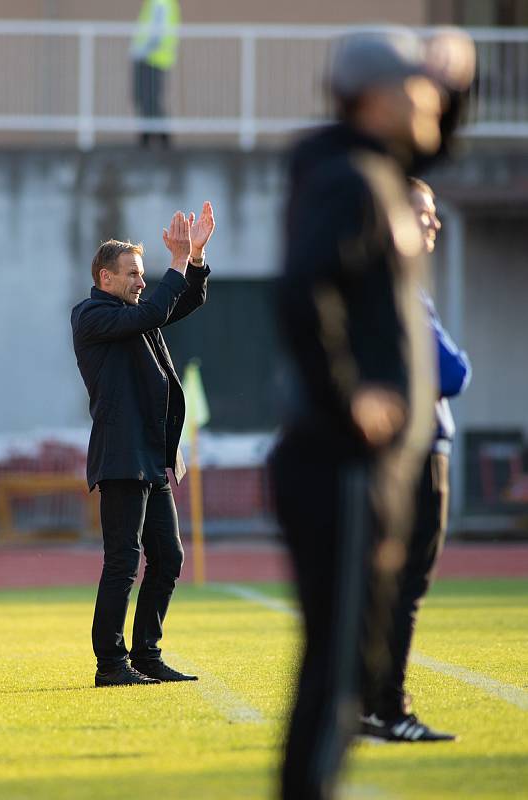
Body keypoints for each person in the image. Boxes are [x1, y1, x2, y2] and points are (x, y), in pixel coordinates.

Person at [271, 31, 445, 800]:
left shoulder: (369, 168)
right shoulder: (350, 178)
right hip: (341, 464)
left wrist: (458, 80)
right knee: (336, 673)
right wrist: (348, 397)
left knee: (349, 667)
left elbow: (430, 147)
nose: (429, 99)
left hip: (362, 467)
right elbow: (300, 290)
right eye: (415, 88)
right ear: (375, 98)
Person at [71, 201, 215, 687]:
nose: (139, 280)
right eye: (132, 272)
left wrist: (193, 260)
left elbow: (181, 303)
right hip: (120, 457)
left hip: (150, 458)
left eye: (142, 272)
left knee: (168, 558)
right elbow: (158, 306)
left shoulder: (136, 313)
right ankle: (110, 664)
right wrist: (176, 263)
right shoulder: (91, 315)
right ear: (104, 277)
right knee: (123, 562)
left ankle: (146, 655)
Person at [360, 177, 471, 741]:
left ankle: (366, 703)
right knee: (405, 587)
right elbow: (454, 373)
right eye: (425, 213)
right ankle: (388, 708)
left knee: (385, 583)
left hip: (394, 451)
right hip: (420, 450)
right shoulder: (396, 281)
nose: (434, 223)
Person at [131, 0, 181, 148]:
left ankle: (155, 140)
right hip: (151, 58)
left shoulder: (160, 3)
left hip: (152, 58)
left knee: (149, 99)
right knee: (145, 99)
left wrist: (141, 52)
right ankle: (151, 138)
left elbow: (157, 33)